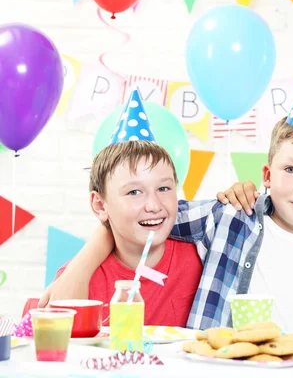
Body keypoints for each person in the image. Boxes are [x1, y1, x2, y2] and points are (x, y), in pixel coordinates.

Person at [41, 56, 293, 335]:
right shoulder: (232, 218)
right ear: (266, 176)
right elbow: (152, 219)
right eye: (291, 169)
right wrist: (101, 233)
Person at [54, 91, 203, 327]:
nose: (154, 206)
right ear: (100, 205)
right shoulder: (81, 277)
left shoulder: (202, 258)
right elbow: (59, 340)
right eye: (134, 192)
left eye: (164, 188)